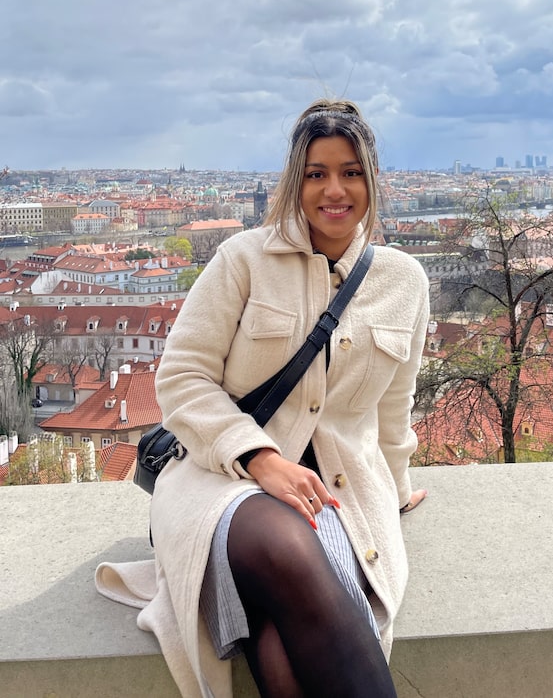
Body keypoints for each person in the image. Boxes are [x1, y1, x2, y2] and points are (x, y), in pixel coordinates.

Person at [97, 99, 429, 698]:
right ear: (295, 181)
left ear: (372, 180)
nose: (335, 190)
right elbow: (182, 378)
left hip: (336, 489)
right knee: (287, 549)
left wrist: (397, 491)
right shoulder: (244, 259)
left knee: (280, 639)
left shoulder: (404, 281)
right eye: (317, 173)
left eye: (351, 172)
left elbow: (392, 410)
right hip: (220, 479)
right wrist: (262, 459)